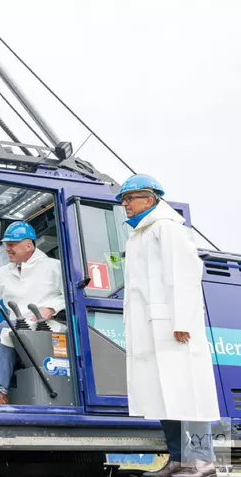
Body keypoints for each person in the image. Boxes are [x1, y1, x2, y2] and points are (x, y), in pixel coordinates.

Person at [118, 174, 219, 477]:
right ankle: (178, 459)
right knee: (163, 397)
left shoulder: (168, 228)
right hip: (151, 328)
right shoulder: (138, 235)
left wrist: (183, 321)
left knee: (186, 395)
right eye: (124, 200)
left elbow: (183, 278)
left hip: (173, 327)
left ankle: (203, 462)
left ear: (150, 199)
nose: (125, 205)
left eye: (130, 199)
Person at [0, 221, 67, 405]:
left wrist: (51, 308)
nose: (7, 249)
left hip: (46, 325)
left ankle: (0, 391)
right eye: (7, 245)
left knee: (9, 331)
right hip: (15, 323)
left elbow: (71, 295)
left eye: (11, 245)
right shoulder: (4, 272)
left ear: (28, 245)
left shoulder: (54, 267)